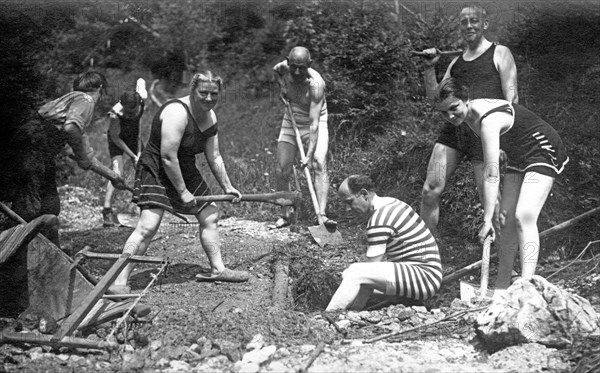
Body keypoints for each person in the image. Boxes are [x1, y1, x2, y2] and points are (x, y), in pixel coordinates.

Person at [110, 71, 249, 293]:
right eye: (203, 93)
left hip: (183, 166)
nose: (208, 98)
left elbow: (214, 156)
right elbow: (167, 156)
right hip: (156, 167)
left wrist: (227, 186)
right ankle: (118, 280)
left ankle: (217, 269)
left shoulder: (210, 117)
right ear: (193, 90)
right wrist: (183, 191)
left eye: (214, 94)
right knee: (148, 226)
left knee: (209, 215)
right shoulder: (177, 112)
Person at [435, 77, 569, 295]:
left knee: (523, 215)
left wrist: (486, 219)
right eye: (443, 113)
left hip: (542, 147)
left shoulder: (487, 120)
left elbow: (491, 173)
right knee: (504, 220)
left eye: (453, 108)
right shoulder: (469, 118)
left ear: (466, 99)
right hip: (519, 155)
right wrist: (492, 217)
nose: (450, 116)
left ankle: (527, 287)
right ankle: (500, 288)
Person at [418, 5, 519, 291]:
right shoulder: (457, 63)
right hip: (454, 129)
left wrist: (505, 139)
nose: (469, 26)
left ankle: (507, 271)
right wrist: (429, 68)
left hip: (486, 133)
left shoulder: (500, 53)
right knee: (430, 190)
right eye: (464, 22)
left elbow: (513, 99)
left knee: (493, 204)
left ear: (485, 23)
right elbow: (436, 99)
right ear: (459, 27)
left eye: (474, 20)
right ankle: (426, 259)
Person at [7, 71, 127, 246]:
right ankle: (18, 253)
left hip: (35, 146)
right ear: (100, 88)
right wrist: (82, 157)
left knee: (50, 205)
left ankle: (49, 250)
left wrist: (113, 177)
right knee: (29, 205)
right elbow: (71, 129)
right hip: (34, 146)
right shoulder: (86, 100)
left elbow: (81, 155)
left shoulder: (68, 103)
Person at [326, 175, 442, 311]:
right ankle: (350, 313)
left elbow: (367, 273)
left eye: (350, 202)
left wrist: (352, 308)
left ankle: (329, 315)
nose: (347, 209)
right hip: (426, 276)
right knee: (353, 275)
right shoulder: (390, 203)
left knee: (354, 273)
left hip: (423, 278)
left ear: (364, 194)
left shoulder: (379, 219)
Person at [272, 46, 335, 228]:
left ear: (310, 64)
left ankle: (321, 215)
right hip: (291, 121)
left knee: (318, 163)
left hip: (315, 123)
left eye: (302, 67)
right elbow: (276, 71)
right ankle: (285, 213)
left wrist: (307, 155)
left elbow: (314, 124)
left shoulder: (316, 85)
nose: (297, 71)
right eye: (293, 67)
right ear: (288, 62)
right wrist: (282, 87)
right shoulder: (283, 67)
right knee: (282, 169)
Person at [102, 86, 147, 227]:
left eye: (133, 112)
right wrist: (133, 155)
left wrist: (139, 154)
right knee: (117, 174)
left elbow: (141, 81)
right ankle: (107, 209)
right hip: (118, 140)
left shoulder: (142, 98)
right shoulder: (115, 114)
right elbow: (116, 138)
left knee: (145, 167)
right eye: (128, 112)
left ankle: (141, 205)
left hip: (134, 138)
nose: (130, 115)